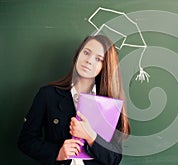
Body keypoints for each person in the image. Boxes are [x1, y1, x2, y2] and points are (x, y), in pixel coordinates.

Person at [18, 35, 130, 165]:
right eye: (86, 52)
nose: (89, 60)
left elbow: (114, 159)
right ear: (78, 54)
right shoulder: (48, 95)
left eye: (98, 59)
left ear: (105, 67)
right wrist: (58, 153)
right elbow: (26, 141)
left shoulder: (109, 105)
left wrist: (90, 136)